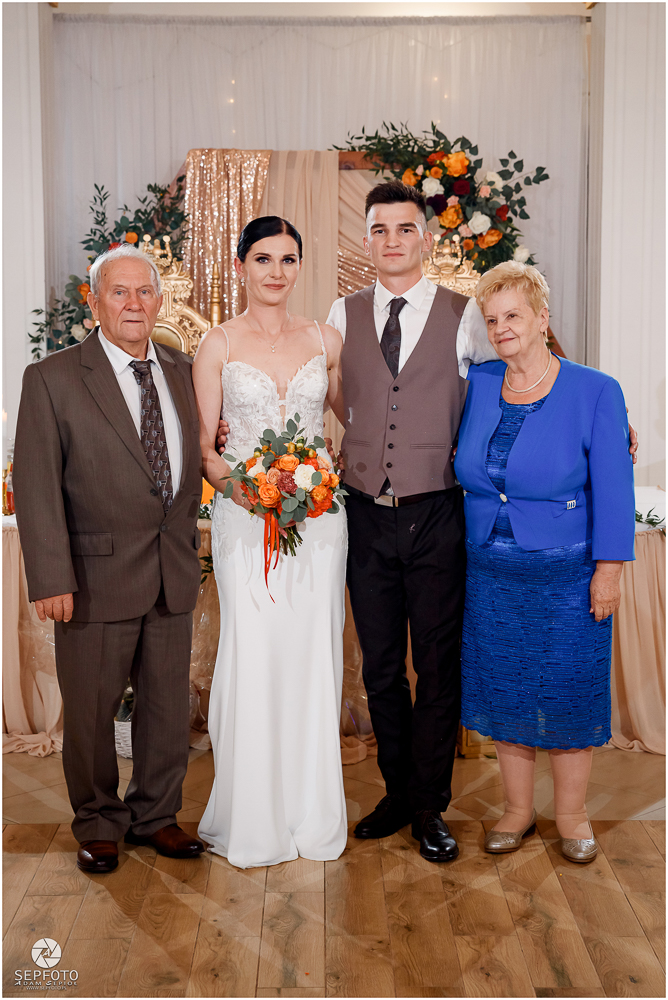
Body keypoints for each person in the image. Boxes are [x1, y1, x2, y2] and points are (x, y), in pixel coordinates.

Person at [13, 245, 205, 874]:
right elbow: (36, 486)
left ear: (159, 301)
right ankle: (98, 821)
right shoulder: (53, 378)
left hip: (171, 571)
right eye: (118, 292)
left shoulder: (183, 370)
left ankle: (156, 816)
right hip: (92, 577)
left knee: (166, 709)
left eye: (144, 292)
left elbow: (192, 457)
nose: (133, 304)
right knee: (92, 713)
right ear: (94, 303)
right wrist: (51, 576)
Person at [454, 261, 635, 862]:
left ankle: (573, 815)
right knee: (504, 689)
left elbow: (614, 487)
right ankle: (516, 809)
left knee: (567, 689)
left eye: (513, 315)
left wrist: (609, 570)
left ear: (541, 319)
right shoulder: (480, 383)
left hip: (567, 575)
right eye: (492, 320)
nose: (502, 328)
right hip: (490, 570)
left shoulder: (595, 390)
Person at [193, 216, 348, 869]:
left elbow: (359, 420)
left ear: (300, 266)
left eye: (288, 259)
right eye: (263, 258)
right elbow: (206, 450)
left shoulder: (326, 338)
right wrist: (252, 494)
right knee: (253, 650)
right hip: (245, 517)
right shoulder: (218, 344)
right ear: (241, 266)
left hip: (319, 522)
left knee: (313, 654)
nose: (276, 271)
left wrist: (322, 478)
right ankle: (253, 816)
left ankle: (312, 811)